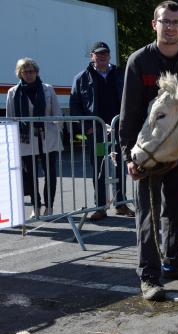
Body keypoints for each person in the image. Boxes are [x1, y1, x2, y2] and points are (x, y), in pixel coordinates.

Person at [119, 0, 178, 301]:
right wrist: (127, 154)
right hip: (146, 153)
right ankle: (149, 275)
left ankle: (175, 260)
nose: (169, 27)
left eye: (175, 22)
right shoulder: (139, 61)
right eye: (164, 21)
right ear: (154, 24)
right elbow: (129, 112)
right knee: (148, 214)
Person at [70, 41, 135, 220]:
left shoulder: (120, 74)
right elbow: (75, 105)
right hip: (97, 133)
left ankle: (120, 204)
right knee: (99, 169)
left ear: (109, 55)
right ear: (92, 56)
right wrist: (87, 128)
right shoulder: (82, 77)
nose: (102, 56)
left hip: (118, 131)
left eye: (105, 53)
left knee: (121, 166)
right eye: (98, 54)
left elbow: (130, 98)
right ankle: (100, 207)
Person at [5, 58, 62, 219]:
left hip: (47, 137)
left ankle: (49, 207)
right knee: (30, 175)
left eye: (32, 71)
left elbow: (57, 114)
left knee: (50, 173)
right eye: (25, 71)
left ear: (36, 72)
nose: (29, 74)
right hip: (25, 140)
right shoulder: (13, 92)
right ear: (20, 73)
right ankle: (36, 206)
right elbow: (10, 118)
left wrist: (57, 130)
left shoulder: (48, 89)